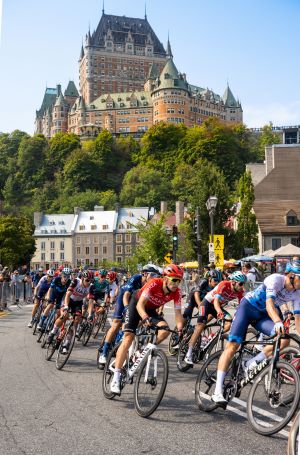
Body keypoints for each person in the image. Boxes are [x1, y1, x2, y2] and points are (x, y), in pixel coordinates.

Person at [211, 261, 300, 405]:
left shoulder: (298, 293)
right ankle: (217, 391)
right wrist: (277, 321)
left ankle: (251, 363)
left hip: (262, 317)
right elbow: (269, 304)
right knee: (233, 346)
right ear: (291, 276)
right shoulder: (276, 279)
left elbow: (298, 319)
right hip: (248, 308)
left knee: (284, 340)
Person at [110, 264, 184, 394]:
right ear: (166, 278)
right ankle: (115, 378)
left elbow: (178, 313)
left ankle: (142, 350)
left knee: (165, 330)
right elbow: (140, 304)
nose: (176, 283)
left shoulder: (177, 292)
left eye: (179, 280)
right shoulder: (155, 283)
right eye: (174, 279)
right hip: (137, 305)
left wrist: (179, 329)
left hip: (151, 310)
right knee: (129, 337)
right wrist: (144, 318)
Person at [98, 264, 160, 366]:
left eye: (156, 276)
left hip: (135, 301)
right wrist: (126, 308)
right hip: (124, 298)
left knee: (135, 325)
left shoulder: (152, 284)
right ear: (144, 274)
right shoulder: (136, 278)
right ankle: (103, 353)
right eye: (152, 275)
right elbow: (126, 295)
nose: (155, 278)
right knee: (116, 324)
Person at [184, 270, 245, 365]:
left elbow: (242, 306)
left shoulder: (240, 292)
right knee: (201, 325)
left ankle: (210, 338)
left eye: (243, 284)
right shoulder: (224, 284)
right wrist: (219, 312)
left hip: (216, 307)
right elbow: (216, 301)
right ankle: (189, 352)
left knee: (228, 323)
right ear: (233, 282)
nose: (242, 287)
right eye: (241, 284)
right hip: (207, 303)